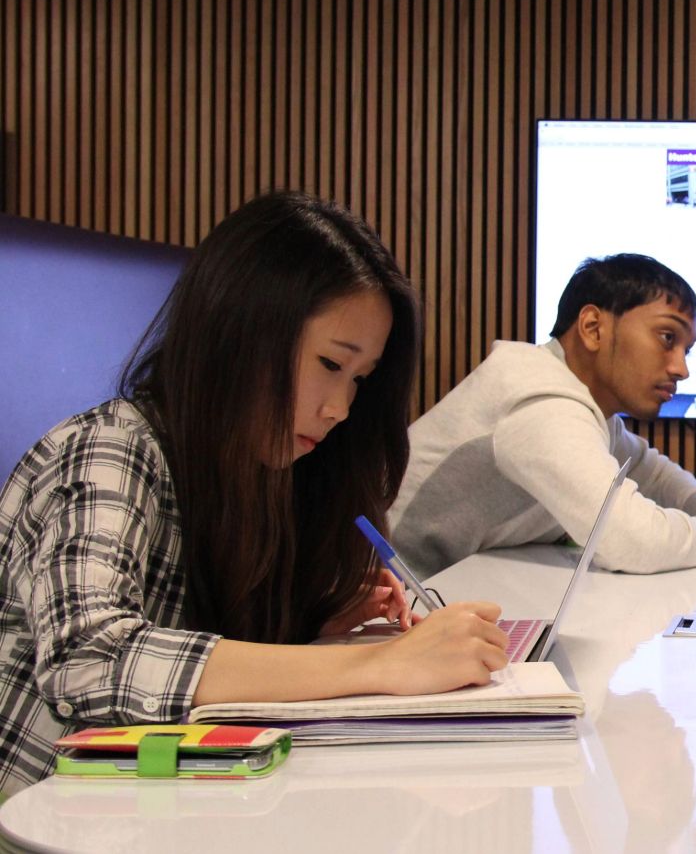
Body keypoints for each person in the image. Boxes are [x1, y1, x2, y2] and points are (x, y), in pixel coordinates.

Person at [0, 191, 510, 799]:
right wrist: (377, 665)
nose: (340, 408)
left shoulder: (262, 466)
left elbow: (191, 646)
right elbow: (88, 660)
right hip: (33, 813)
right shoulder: (108, 448)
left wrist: (310, 619)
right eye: (328, 362)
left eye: (360, 380)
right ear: (239, 330)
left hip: (151, 806)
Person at [388, 253, 696, 578]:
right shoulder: (540, 401)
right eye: (667, 338)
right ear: (593, 328)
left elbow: (649, 469)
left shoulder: (583, 403)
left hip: (438, 595)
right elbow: (630, 541)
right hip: (376, 609)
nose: (682, 368)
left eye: (687, 349)